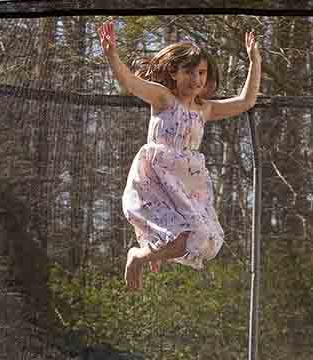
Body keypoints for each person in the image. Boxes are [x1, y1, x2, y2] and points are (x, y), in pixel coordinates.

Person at [99, 21, 263, 291]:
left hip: (187, 183)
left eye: (201, 73)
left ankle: (148, 253)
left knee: (203, 239)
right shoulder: (163, 98)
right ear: (174, 73)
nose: (196, 79)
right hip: (157, 177)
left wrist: (255, 61)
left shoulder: (205, 109)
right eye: (189, 72)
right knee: (183, 234)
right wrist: (112, 55)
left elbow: (246, 101)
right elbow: (130, 82)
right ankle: (138, 257)